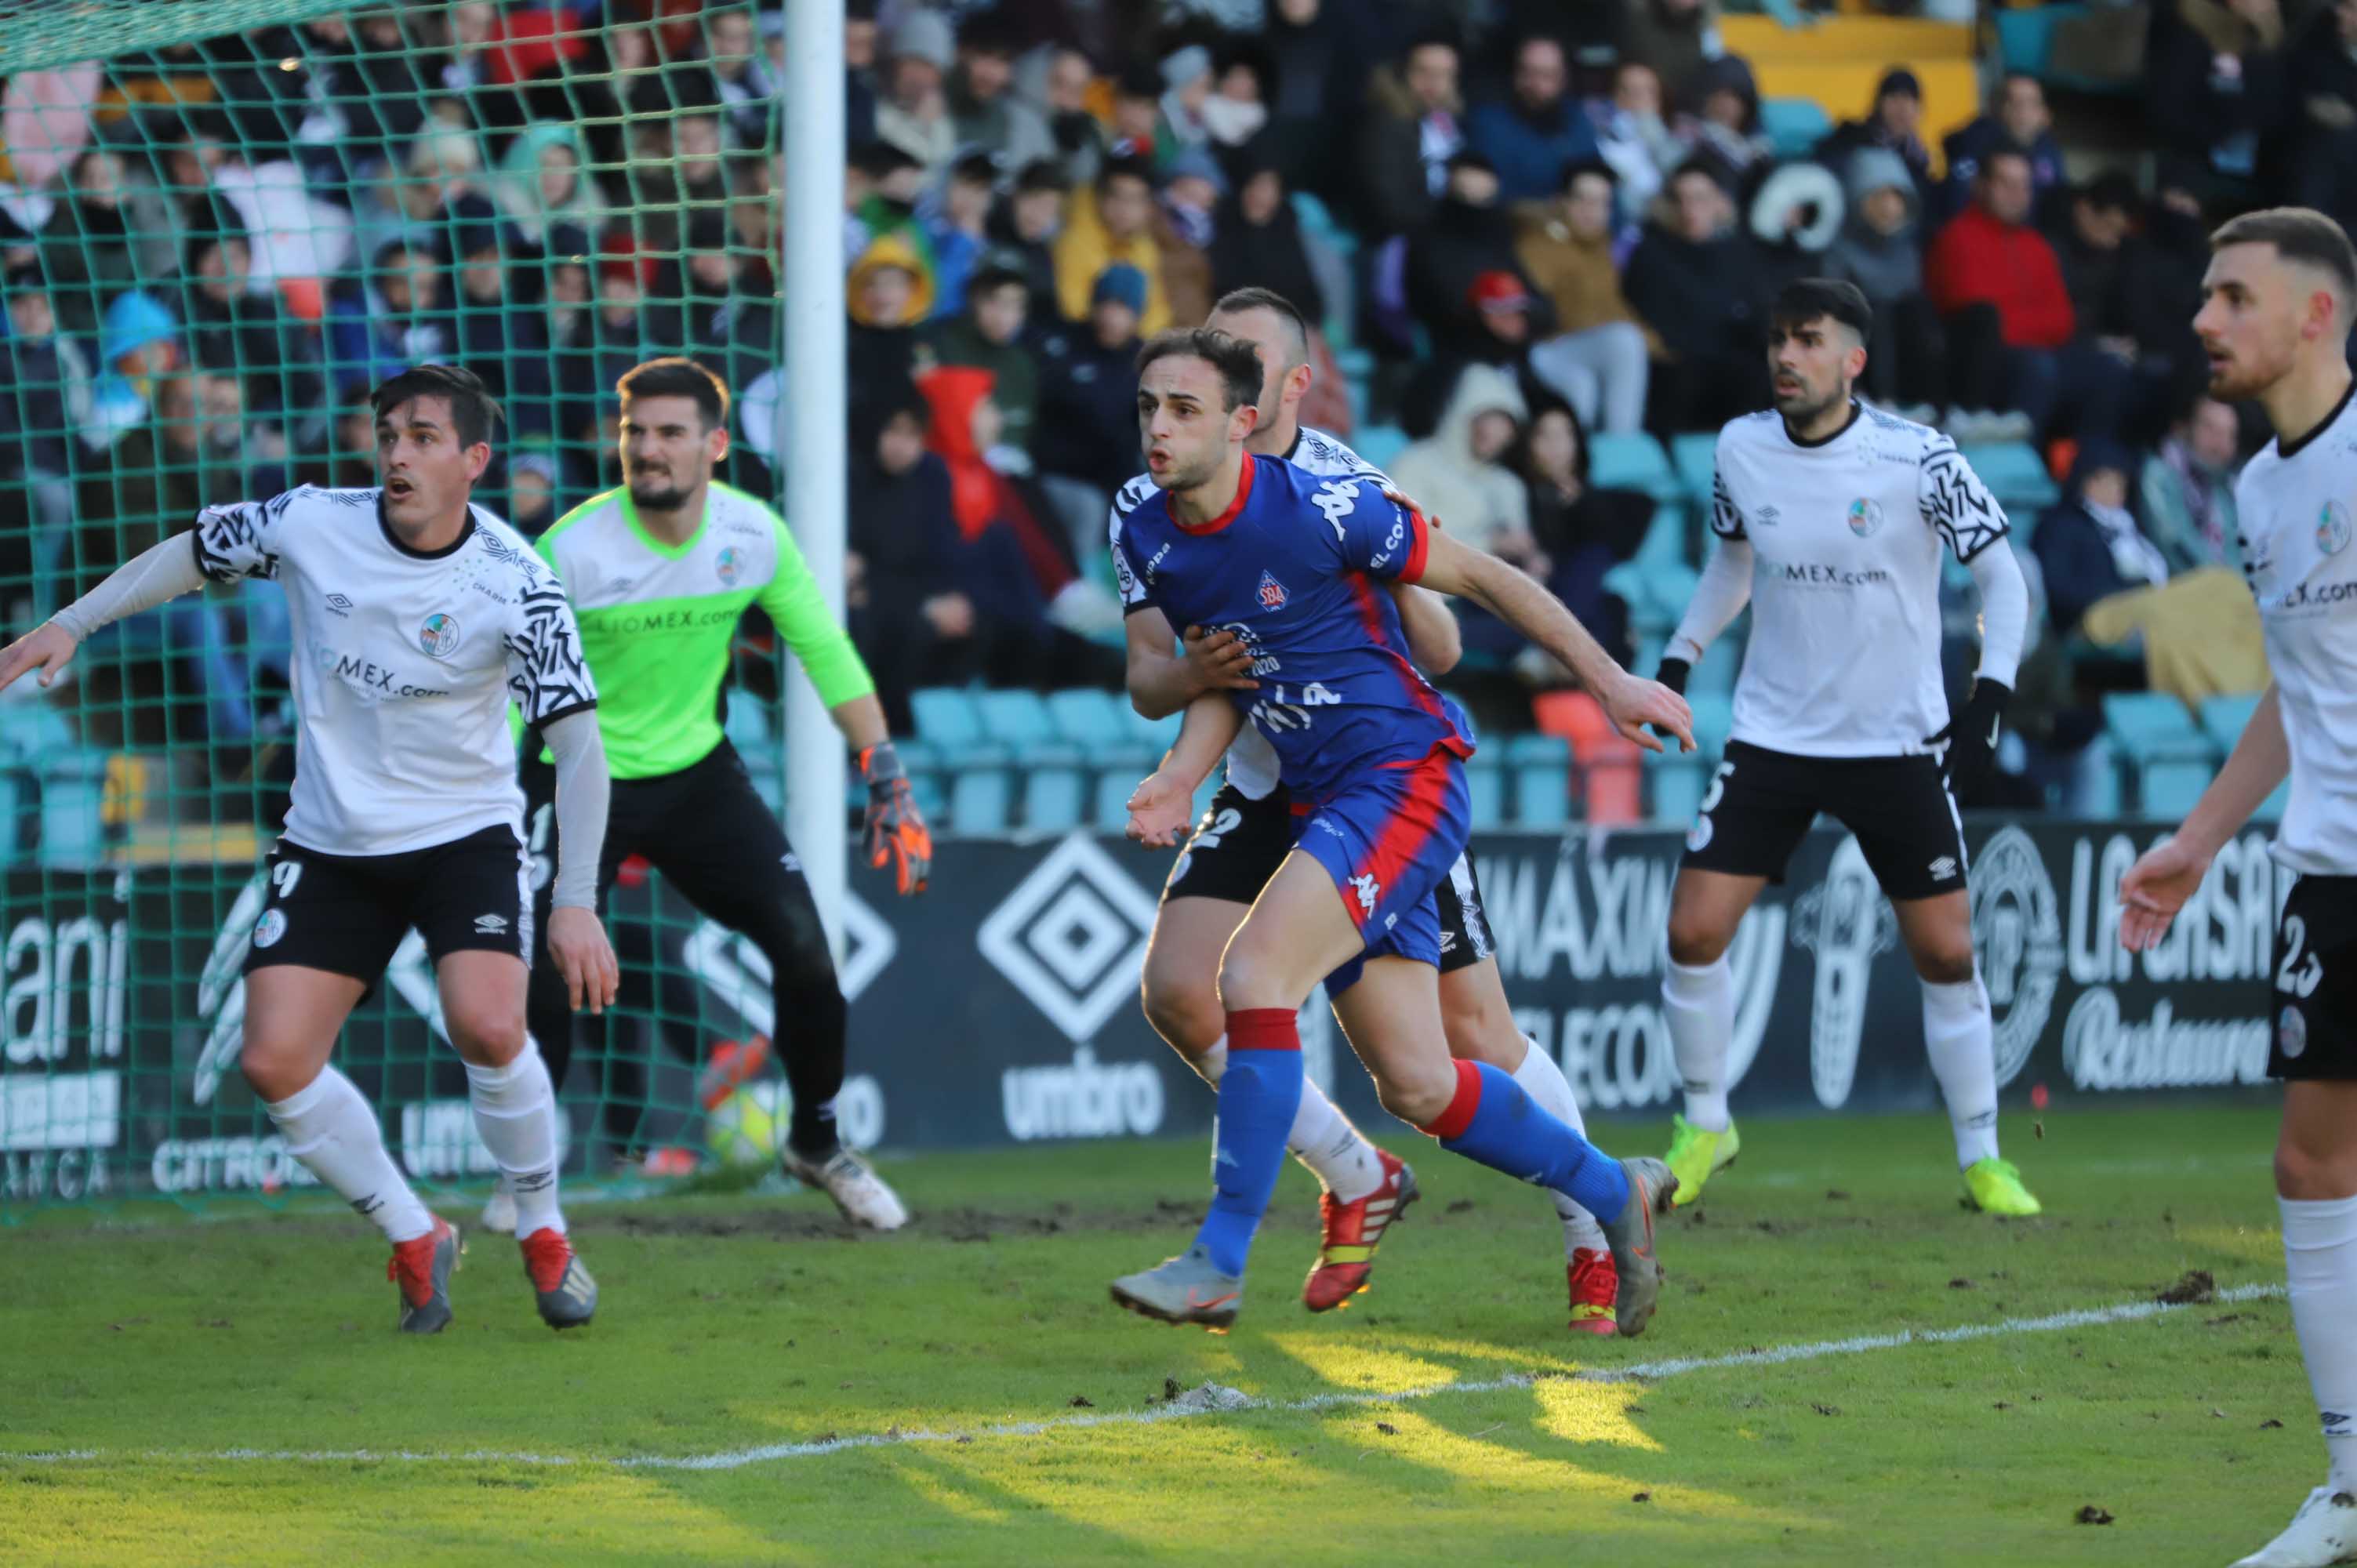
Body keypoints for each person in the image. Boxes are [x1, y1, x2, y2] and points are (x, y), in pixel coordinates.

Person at [0, 363, 619, 1333]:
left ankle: (543, 1230)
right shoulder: (310, 520)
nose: (398, 453)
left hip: (465, 832)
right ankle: (417, 1236)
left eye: (422, 436)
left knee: (489, 1024)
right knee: (274, 1060)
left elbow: (580, 745)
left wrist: (575, 899)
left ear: (474, 459)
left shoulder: (518, 584)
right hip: (331, 840)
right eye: (388, 435)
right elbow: (192, 550)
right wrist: (68, 622)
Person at [1106, 325, 1691, 1335]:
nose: (1159, 427)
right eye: (1150, 407)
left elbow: (1485, 583)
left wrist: (1610, 681)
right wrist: (1177, 776)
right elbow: (1222, 669)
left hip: (1399, 778)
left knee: (1255, 980)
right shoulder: (1148, 529)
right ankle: (1612, 1189)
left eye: (1185, 408)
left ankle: (1219, 1258)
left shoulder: (1327, 503)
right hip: (1307, 797)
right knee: (1417, 1079)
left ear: (1249, 416)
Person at [1650, 280, 2042, 1218]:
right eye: (1778, 339)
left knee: (1948, 953)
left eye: (1808, 340)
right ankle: (1707, 1121)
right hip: (1774, 734)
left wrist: (1991, 691)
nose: (1787, 356)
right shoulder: (1741, 448)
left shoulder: (1919, 457)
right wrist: (1677, 656)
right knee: (1693, 931)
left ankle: (1985, 1157)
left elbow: (2003, 571)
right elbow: (1730, 563)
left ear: (1852, 359)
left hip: (1897, 742)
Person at [514, 358, 932, 1232]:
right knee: (545, 977)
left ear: (716, 445)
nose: (650, 450)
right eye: (636, 433)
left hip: (698, 774)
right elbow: (509, 688)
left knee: (809, 953)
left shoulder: (752, 535)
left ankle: (818, 1141)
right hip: (577, 771)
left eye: (670, 433)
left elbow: (823, 648)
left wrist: (883, 768)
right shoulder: (570, 552)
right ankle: (530, 1181)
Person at [2117, 206, 2357, 1568]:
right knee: (2313, 1164)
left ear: (2316, 313)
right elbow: (2299, 684)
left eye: (2231, 296)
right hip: (2330, 867)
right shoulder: (2263, 493)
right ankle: (2348, 1486)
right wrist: (2201, 835)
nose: (2203, 321)